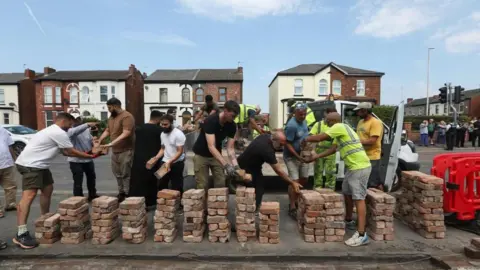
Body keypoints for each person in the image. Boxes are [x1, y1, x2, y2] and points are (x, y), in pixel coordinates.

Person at [14, 112, 95, 249]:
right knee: (29, 195)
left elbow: (64, 151)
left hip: (40, 165)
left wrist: (88, 154)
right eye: (70, 123)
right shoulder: (58, 132)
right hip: (30, 165)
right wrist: (90, 156)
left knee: (48, 188)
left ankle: (45, 220)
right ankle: (21, 233)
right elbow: (69, 152)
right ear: (64, 121)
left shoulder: (53, 131)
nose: (71, 127)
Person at [303, 112, 372, 247]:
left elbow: (320, 138)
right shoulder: (342, 129)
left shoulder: (338, 126)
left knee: (359, 198)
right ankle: (348, 220)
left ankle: (362, 234)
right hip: (353, 168)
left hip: (359, 167)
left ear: (332, 120)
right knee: (346, 193)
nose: (325, 122)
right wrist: (315, 157)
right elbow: (333, 149)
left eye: (327, 120)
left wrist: (306, 139)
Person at [238, 131, 302, 210]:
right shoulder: (267, 150)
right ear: (274, 140)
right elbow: (278, 171)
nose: (282, 147)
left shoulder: (267, 136)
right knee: (257, 188)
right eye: (280, 144)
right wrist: (292, 182)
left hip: (253, 164)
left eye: (283, 145)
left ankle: (251, 207)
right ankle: (252, 210)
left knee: (257, 187)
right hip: (246, 166)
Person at [192, 100, 240, 190]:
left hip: (216, 156)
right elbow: (211, 147)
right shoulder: (211, 121)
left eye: (236, 116)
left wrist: (236, 167)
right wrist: (226, 165)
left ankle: (219, 204)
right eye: (233, 116)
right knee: (203, 185)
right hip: (201, 155)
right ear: (225, 111)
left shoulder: (232, 126)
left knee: (221, 183)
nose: (234, 118)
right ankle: (202, 204)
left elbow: (230, 149)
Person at [98, 98, 135, 203]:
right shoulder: (112, 117)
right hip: (115, 150)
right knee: (117, 173)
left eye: (109, 107)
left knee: (125, 173)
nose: (108, 109)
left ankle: (127, 194)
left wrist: (112, 143)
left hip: (125, 150)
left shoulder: (127, 116)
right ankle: (121, 192)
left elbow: (126, 133)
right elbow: (108, 130)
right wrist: (100, 139)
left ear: (115, 106)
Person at [129, 110, 164, 208]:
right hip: (153, 159)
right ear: (158, 119)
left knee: (137, 180)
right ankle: (150, 201)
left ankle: (136, 200)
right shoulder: (159, 130)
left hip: (138, 157)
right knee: (152, 180)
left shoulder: (139, 128)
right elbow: (163, 146)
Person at [149, 114, 186, 195]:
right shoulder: (162, 133)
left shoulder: (178, 134)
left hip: (177, 162)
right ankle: (163, 204)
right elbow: (163, 148)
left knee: (176, 185)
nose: (163, 126)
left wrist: (170, 162)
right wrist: (156, 158)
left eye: (165, 124)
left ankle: (178, 204)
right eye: (161, 124)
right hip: (165, 162)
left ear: (171, 123)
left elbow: (180, 151)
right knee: (161, 183)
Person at [284, 103, 309, 219]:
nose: (303, 116)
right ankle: (292, 206)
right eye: (301, 114)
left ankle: (297, 198)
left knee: (304, 178)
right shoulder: (291, 126)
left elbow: (305, 136)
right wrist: (297, 156)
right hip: (291, 156)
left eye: (305, 114)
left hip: (303, 155)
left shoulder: (304, 121)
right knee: (295, 180)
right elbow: (287, 143)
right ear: (295, 113)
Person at [67, 113, 100, 201]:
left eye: (78, 118)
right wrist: (88, 124)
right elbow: (76, 131)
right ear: (71, 120)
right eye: (75, 119)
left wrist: (94, 142)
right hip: (75, 160)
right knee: (78, 180)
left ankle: (92, 194)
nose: (77, 120)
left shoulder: (86, 130)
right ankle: (78, 198)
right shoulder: (70, 130)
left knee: (91, 178)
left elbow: (90, 139)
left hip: (88, 158)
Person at [354, 102, 384, 190]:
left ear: (364, 111)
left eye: (358, 111)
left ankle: (379, 201)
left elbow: (372, 140)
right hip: (362, 155)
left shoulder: (376, 122)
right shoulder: (360, 122)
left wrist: (355, 142)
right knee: (364, 181)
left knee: (373, 182)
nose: (357, 113)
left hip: (372, 156)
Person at [309, 108, 337, 190]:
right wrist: (312, 151)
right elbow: (312, 138)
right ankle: (317, 189)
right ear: (325, 114)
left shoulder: (335, 126)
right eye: (329, 113)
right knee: (318, 171)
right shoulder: (318, 125)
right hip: (319, 152)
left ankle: (330, 190)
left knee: (330, 172)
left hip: (331, 152)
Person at [0, 127, 17, 216]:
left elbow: (9, 145)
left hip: (7, 163)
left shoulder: (2, 130)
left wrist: (15, 159)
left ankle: (10, 204)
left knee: (10, 186)